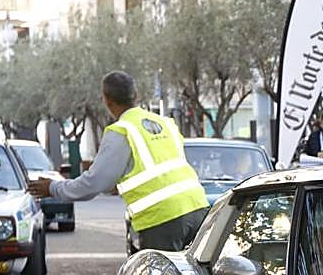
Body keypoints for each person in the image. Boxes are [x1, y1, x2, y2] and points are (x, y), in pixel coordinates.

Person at [28, 71, 208, 251]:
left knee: (163, 270)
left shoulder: (121, 131)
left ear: (107, 100)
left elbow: (93, 183)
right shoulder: (165, 123)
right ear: (136, 95)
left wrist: (53, 188)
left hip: (162, 219)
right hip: (198, 208)